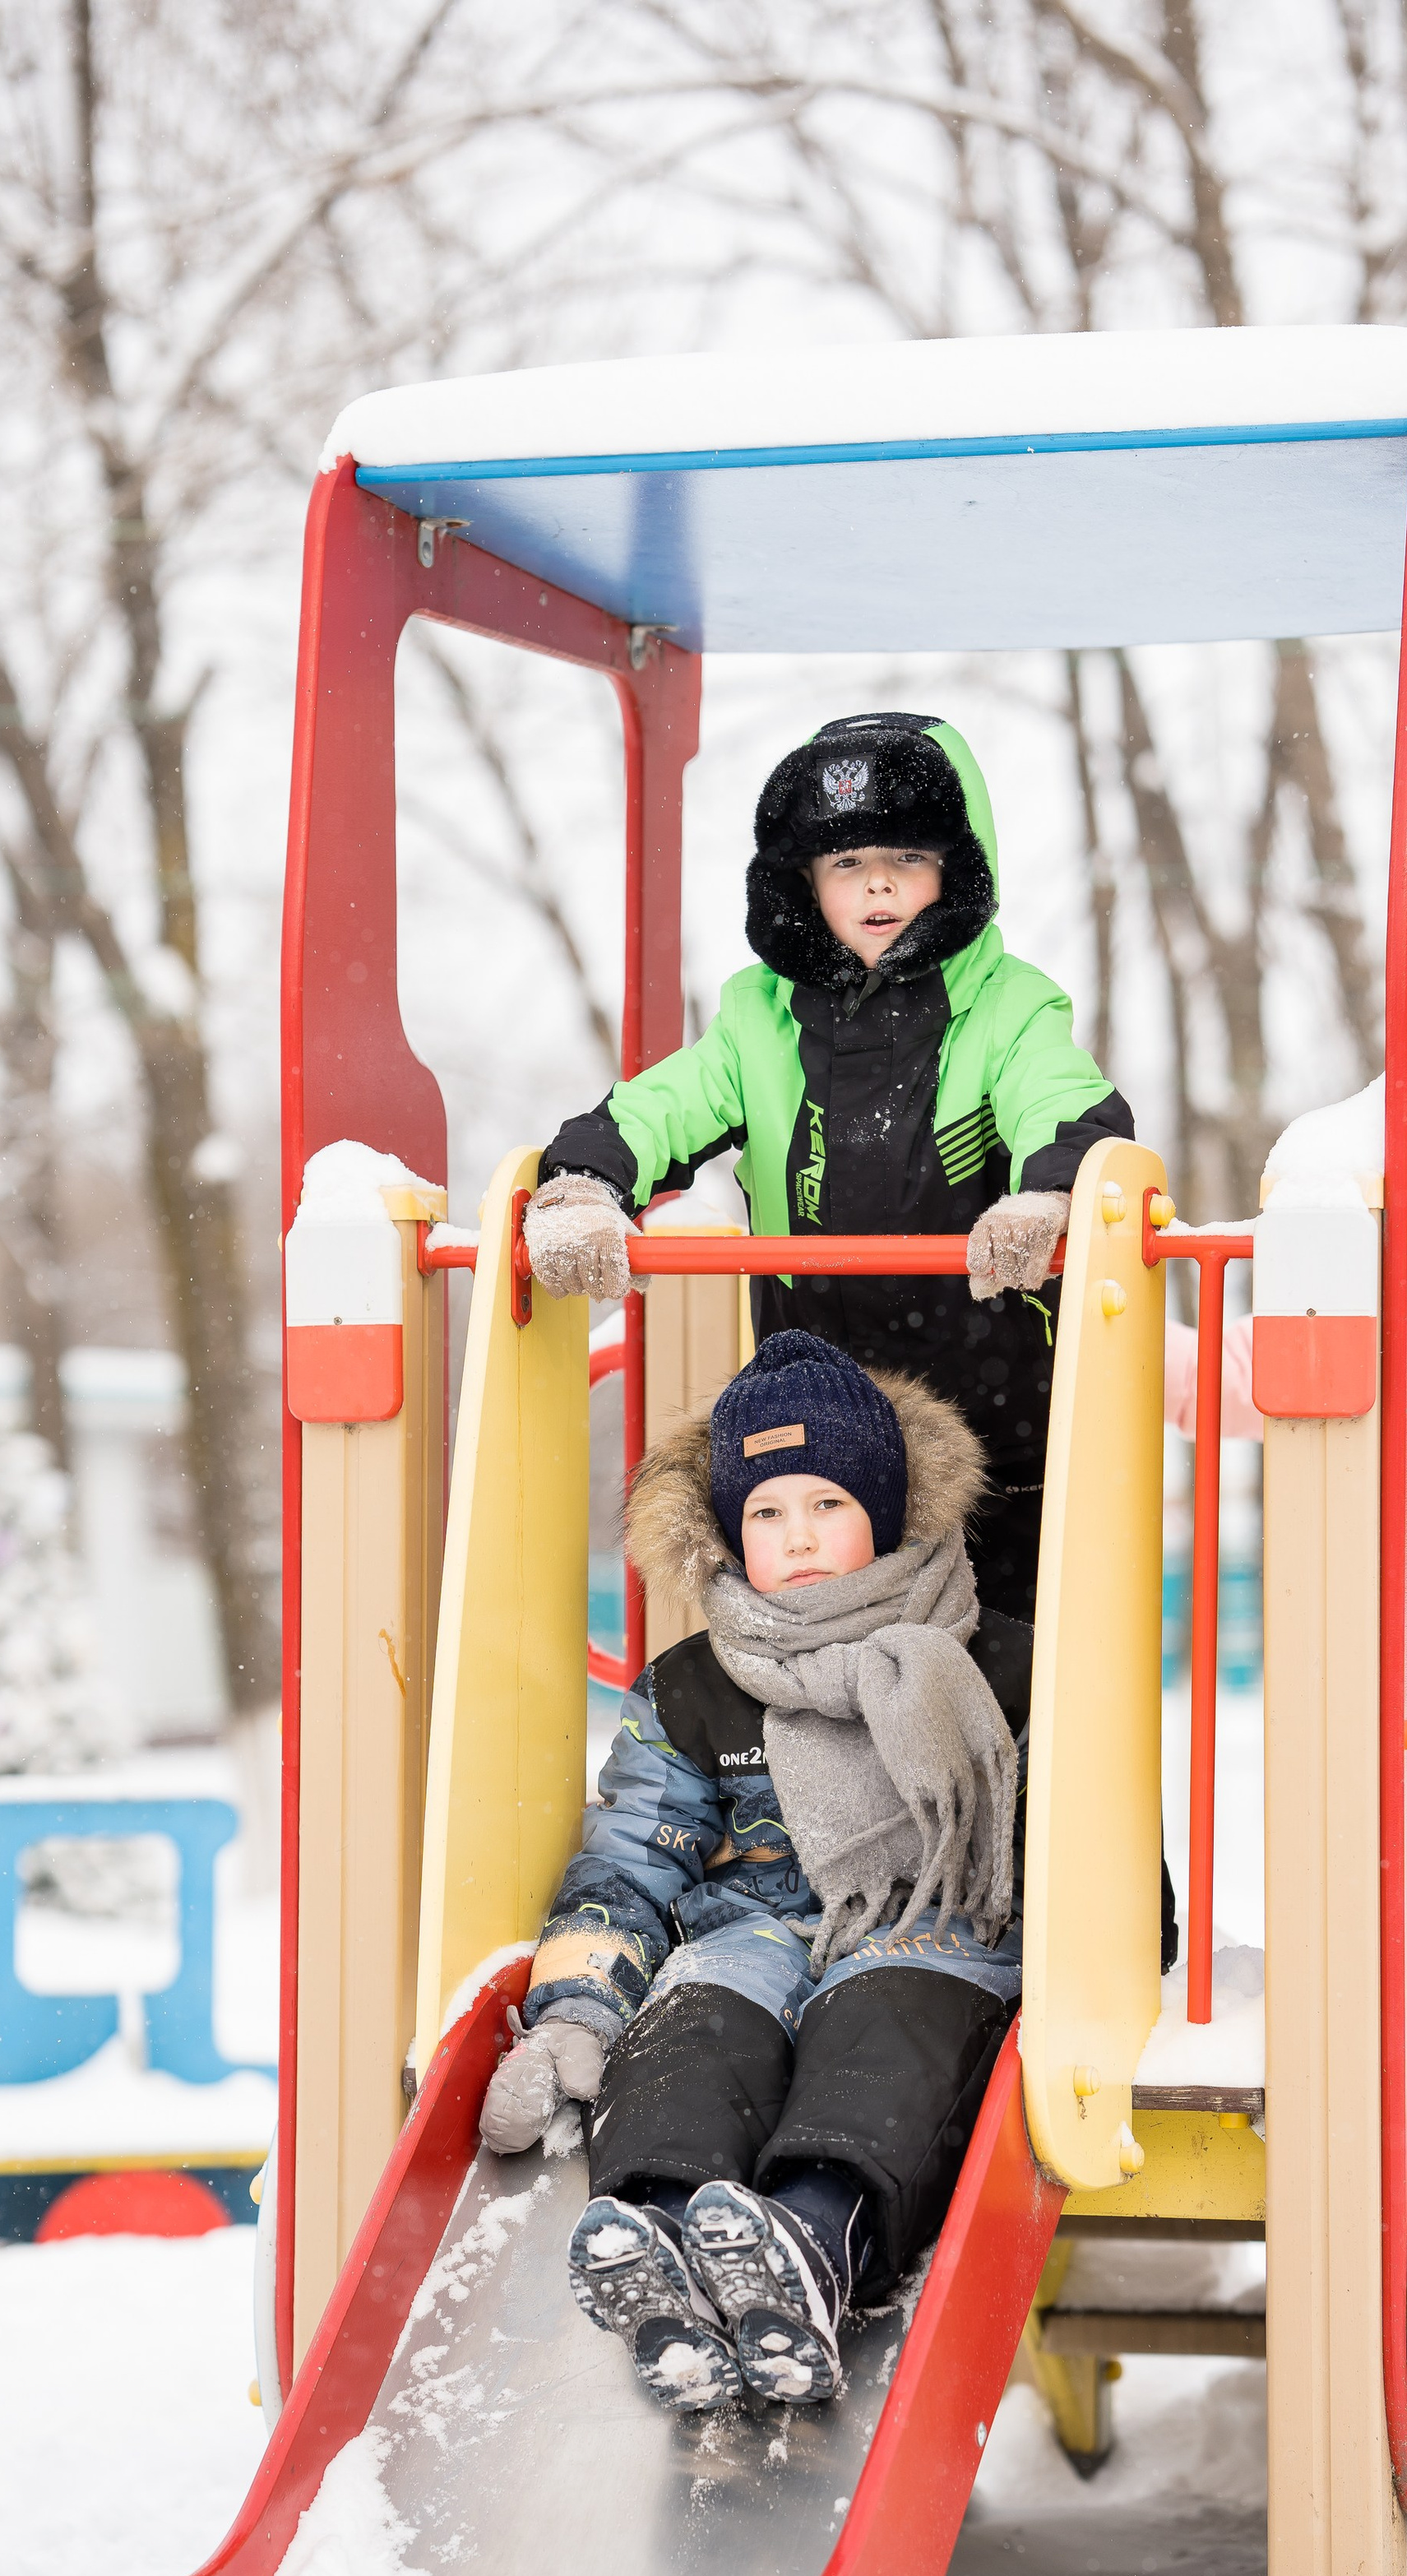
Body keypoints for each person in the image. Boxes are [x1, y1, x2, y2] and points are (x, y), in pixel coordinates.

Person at [475, 1329, 1027, 2414]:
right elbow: (631, 1861)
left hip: (936, 1928)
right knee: (695, 2021)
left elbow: (1078, 1832)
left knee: (884, 2023)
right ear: (730, 1532)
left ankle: (814, 2243)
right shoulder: (695, 1685)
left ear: (886, 1508)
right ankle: (664, 2253)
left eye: (827, 1503)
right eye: (767, 1513)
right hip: (759, 1929)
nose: (800, 1538)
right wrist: (578, 2013)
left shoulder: (993, 1657)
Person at [524, 711, 1133, 1619]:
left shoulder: (1007, 1009)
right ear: (804, 884)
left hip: (995, 1415)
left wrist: (1047, 1195)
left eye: (908, 857)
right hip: (823, 1418)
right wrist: (583, 1183)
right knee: (823, 1632)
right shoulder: (759, 1021)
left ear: (956, 872)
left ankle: (1009, 1755)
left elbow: (1064, 1100)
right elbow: (661, 1107)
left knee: (998, 1640)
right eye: (846, 862)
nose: (877, 882)